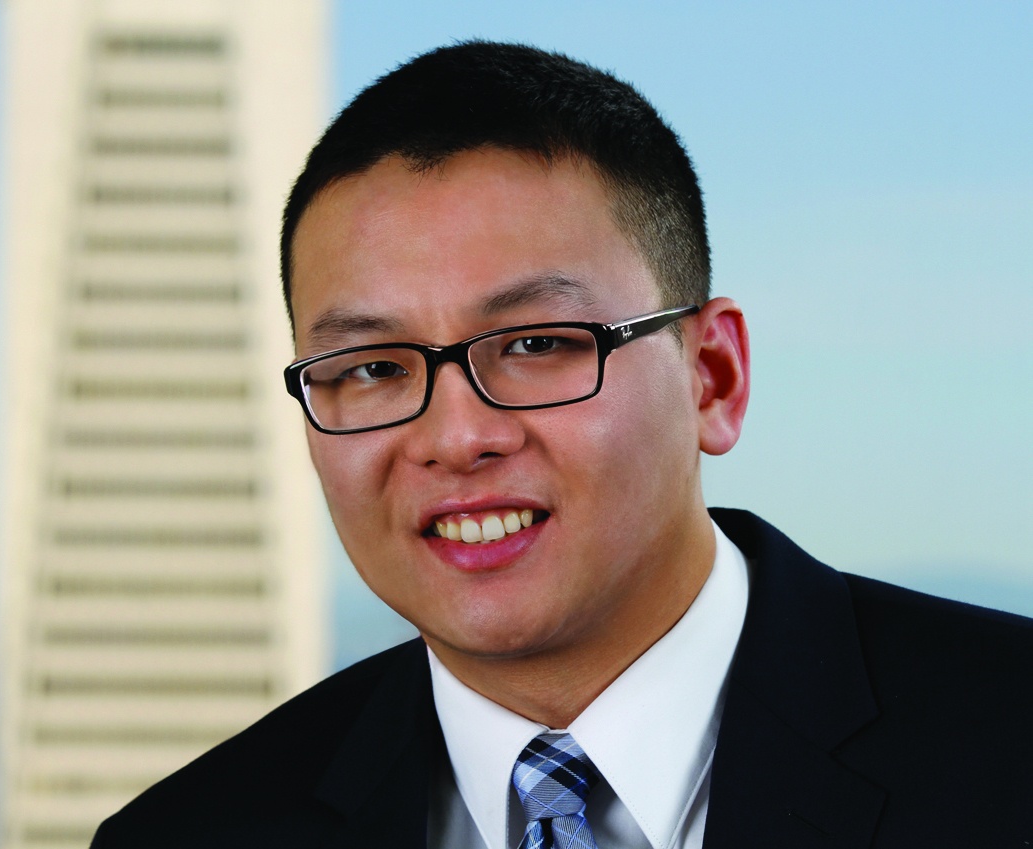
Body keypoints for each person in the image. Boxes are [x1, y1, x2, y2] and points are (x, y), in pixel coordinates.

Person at [91, 41, 1032, 848]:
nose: (455, 437)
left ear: (712, 376)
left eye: (537, 345)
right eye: (373, 367)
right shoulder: (191, 831)